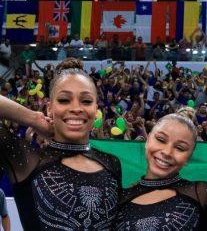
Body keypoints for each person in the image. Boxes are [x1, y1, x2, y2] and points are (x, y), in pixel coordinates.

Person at [0, 57, 122, 230]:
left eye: (86, 101)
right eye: (64, 100)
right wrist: (33, 118)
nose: (76, 108)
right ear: (49, 108)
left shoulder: (112, 163)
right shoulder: (28, 161)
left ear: (96, 110)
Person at [113, 113, 207, 230]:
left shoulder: (200, 193)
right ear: (148, 141)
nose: (167, 152)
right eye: (161, 140)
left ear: (189, 157)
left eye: (180, 148)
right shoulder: (120, 197)